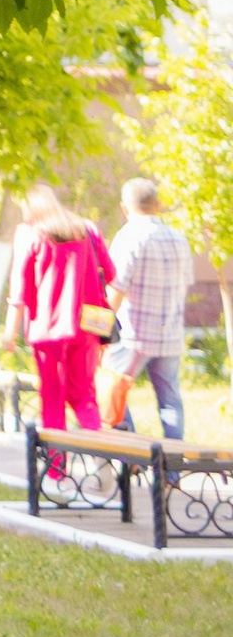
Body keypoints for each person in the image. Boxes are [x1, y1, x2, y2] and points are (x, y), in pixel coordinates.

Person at [5, 186, 117, 478]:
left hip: (49, 330)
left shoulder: (29, 234)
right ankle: (101, 462)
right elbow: (111, 272)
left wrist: (9, 332)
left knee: (53, 400)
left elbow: (19, 290)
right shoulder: (88, 229)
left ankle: (56, 473)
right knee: (84, 396)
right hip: (88, 327)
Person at [104, 175, 193, 443]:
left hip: (134, 336)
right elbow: (185, 285)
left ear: (125, 207)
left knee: (112, 391)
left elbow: (116, 289)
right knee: (170, 402)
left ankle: (130, 454)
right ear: (158, 204)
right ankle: (173, 471)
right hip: (170, 336)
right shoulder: (179, 238)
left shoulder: (128, 237)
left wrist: (102, 331)